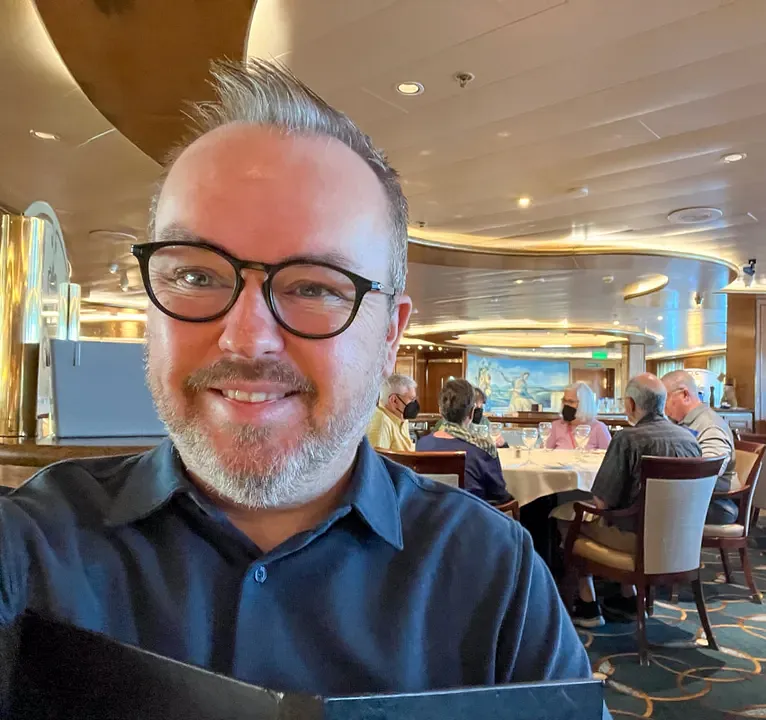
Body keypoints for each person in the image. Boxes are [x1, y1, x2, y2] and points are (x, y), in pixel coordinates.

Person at [0, 59, 598, 702]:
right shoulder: (29, 547)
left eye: (314, 286)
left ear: (391, 331)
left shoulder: (492, 573)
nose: (245, 336)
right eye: (196, 276)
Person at [553, 374, 701, 627]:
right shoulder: (690, 439)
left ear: (631, 404)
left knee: (566, 515)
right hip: (683, 543)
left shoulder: (628, 439)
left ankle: (588, 604)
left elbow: (602, 502)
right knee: (630, 514)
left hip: (636, 544)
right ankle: (627, 597)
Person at [417, 380, 514, 505]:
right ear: (472, 412)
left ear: (440, 410)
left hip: (431, 517)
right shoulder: (483, 448)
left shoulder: (422, 445)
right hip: (472, 517)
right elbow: (498, 494)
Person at [661, 370, 738, 525]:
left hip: (714, 502)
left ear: (685, 394)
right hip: (691, 496)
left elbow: (710, 469)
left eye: (665, 398)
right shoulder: (680, 423)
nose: (662, 405)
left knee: (648, 507)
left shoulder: (709, 425)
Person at [544, 382, 611, 450]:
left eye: (571, 402)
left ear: (584, 404)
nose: (566, 405)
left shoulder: (599, 428)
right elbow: (543, 453)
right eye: (564, 401)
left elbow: (611, 457)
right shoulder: (556, 426)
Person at [367, 373, 418, 451]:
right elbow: (378, 460)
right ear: (394, 401)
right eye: (412, 399)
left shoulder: (401, 418)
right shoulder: (382, 423)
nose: (415, 403)